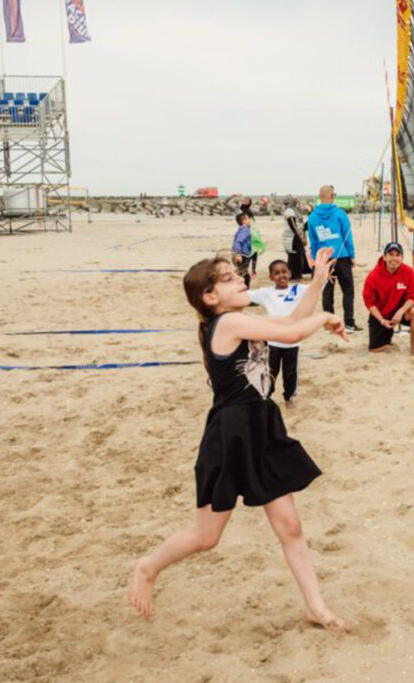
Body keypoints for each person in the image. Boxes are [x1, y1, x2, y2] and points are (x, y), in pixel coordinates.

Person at [127, 247, 353, 634]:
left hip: (262, 427)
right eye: (229, 278)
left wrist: (316, 285)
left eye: (237, 273)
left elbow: (288, 329)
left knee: (290, 526)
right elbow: (293, 330)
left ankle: (316, 607)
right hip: (231, 435)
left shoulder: (240, 319)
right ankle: (147, 566)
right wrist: (327, 316)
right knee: (206, 537)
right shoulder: (227, 324)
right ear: (210, 298)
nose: (240, 279)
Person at [248, 260, 306, 406]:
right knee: (270, 372)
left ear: (290, 273)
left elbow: (317, 286)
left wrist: (324, 277)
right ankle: (267, 396)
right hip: (273, 342)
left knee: (290, 373)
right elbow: (245, 295)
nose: (281, 275)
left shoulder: (298, 290)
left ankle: (289, 397)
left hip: (292, 342)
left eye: (284, 272)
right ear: (271, 277)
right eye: (276, 273)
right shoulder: (266, 293)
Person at [307, 185, 360, 332]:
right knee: (348, 290)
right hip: (341, 256)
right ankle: (349, 323)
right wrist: (352, 255)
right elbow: (347, 236)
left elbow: (313, 241)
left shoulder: (312, 216)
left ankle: (329, 324)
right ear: (331, 196)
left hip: (324, 258)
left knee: (327, 291)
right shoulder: (340, 214)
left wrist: (315, 260)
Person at [363, 241, 414, 356]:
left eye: (397, 255)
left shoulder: (408, 272)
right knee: (375, 350)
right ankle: (386, 339)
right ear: (384, 257)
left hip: (400, 311)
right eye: (391, 255)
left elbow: (413, 296)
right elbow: (369, 302)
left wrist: (400, 312)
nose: (394, 258)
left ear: (402, 257)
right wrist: (381, 320)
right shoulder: (373, 276)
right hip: (381, 314)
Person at [282, 196, 309, 281]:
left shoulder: (294, 210)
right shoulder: (289, 211)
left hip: (296, 235)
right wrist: (300, 237)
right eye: (294, 199)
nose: (296, 200)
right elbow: (293, 225)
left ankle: (298, 273)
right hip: (293, 237)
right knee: (294, 256)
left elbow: (300, 224)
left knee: (299, 255)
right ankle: (294, 275)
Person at [231, 212, 253, 288]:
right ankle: (245, 288)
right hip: (243, 254)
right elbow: (238, 242)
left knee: (242, 272)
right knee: (243, 273)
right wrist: (238, 254)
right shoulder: (245, 230)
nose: (250, 220)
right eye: (248, 218)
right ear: (243, 221)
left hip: (242, 253)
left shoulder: (241, 229)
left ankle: (243, 287)